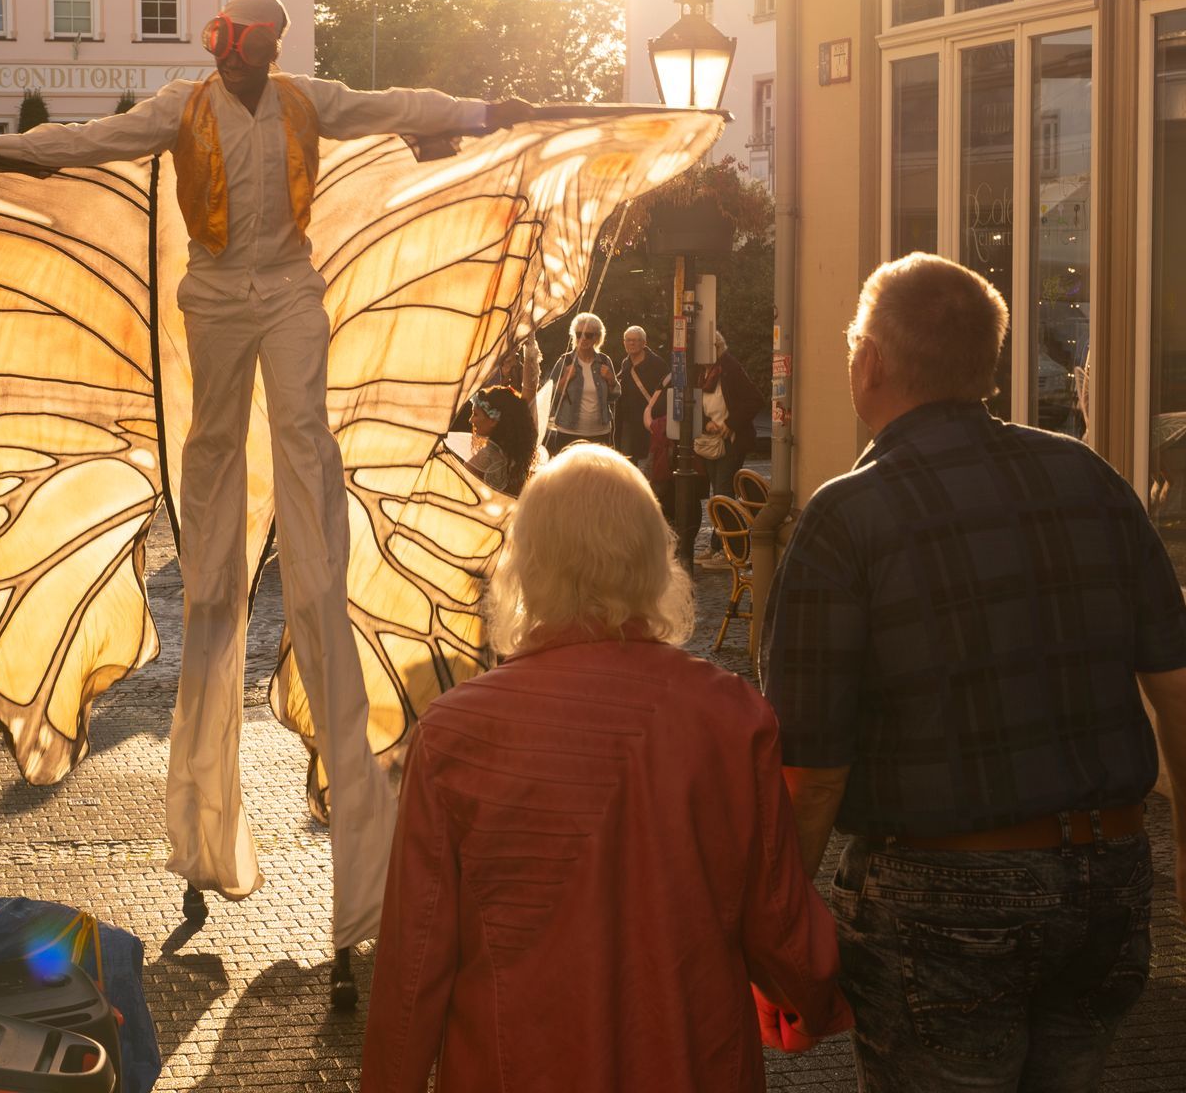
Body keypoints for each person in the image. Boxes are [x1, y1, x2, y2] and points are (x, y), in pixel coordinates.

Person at [0, 0, 538, 1002]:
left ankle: (307, 541)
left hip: (289, 283)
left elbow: (396, 106)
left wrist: (483, 114)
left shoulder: (306, 98)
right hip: (215, 290)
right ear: (225, 46)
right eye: (241, 46)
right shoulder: (182, 106)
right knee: (215, 446)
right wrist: (1, 153)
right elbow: (93, 140)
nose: (249, 60)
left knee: (302, 433)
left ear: (267, 50)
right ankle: (214, 547)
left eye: (258, 48)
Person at [764, 254, 1186, 1092]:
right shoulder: (1090, 481)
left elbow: (812, 775)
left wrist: (773, 923)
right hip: (1109, 878)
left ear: (870, 361)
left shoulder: (846, 518)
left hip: (938, 897)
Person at [362, 444, 851, 1091]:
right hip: (689, 1062)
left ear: (527, 566)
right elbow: (780, 924)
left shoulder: (453, 735)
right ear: (654, 560)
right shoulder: (730, 718)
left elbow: (413, 964)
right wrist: (817, 1001)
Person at [695, 330, 764, 569]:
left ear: (715, 348)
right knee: (718, 494)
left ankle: (730, 550)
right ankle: (719, 546)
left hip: (731, 440)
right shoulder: (702, 371)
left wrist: (729, 424)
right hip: (710, 441)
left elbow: (755, 400)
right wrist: (706, 422)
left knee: (723, 493)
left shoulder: (730, 368)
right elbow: (693, 402)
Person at [545, 312, 618, 455]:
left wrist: (611, 379)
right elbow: (550, 393)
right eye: (579, 334)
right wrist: (566, 378)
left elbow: (614, 395)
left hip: (600, 431)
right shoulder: (565, 361)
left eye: (589, 335)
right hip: (568, 431)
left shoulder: (604, 361)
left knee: (598, 475)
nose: (583, 339)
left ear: (597, 337)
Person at [461, 385, 537, 496]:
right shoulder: (518, 455)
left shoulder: (485, 458)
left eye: (475, 414)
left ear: (493, 420)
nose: (471, 420)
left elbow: (462, 491)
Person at [613, 325, 667, 463]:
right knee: (627, 464)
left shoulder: (657, 364)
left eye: (636, 340)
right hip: (628, 424)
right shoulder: (625, 364)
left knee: (649, 465)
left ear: (644, 343)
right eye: (628, 340)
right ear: (624, 343)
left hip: (649, 424)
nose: (631, 343)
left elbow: (666, 393)